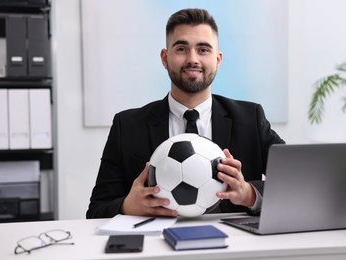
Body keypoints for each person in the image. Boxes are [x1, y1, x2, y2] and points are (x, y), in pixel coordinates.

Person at [86, 8, 285, 219]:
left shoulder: (250, 118)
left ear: (218, 59)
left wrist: (250, 195)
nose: (192, 59)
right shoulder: (127, 126)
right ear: (165, 58)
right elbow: (96, 210)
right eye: (181, 49)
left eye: (203, 50)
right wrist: (126, 206)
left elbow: (296, 182)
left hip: (234, 246)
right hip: (157, 246)